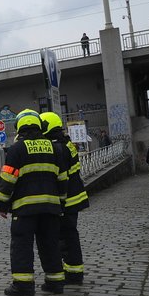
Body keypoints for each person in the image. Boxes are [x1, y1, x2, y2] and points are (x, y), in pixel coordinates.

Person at [0, 110, 68, 296]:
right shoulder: (55, 148)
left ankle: (23, 286)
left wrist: (2, 206)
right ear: (39, 126)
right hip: (51, 208)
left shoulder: (16, 149)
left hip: (24, 209)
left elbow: (7, 180)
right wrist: (60, 202)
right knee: (50, 245)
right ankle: (55, 283)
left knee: (22, 246)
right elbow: (62, 179)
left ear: (19, 127)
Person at [41, 112, 89, 286]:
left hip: (66, 199)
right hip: (75, 197)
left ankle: (73, 274)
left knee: (65, 237)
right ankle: (74, 270)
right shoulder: (67, 143)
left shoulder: (57, 148)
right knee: (70, 235)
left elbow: (58, 177)